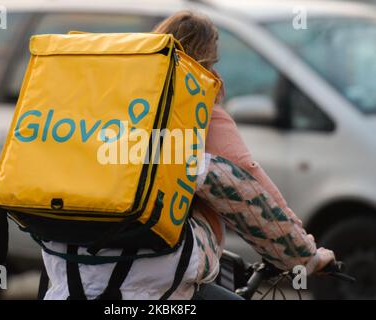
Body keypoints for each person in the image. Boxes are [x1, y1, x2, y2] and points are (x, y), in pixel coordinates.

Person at [40, 11, 335, 300]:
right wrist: (306, 256)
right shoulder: (194, 114)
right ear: (207, 62)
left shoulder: (103, 108)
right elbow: (248, 192)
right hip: (152, 282)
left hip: (65, 276)